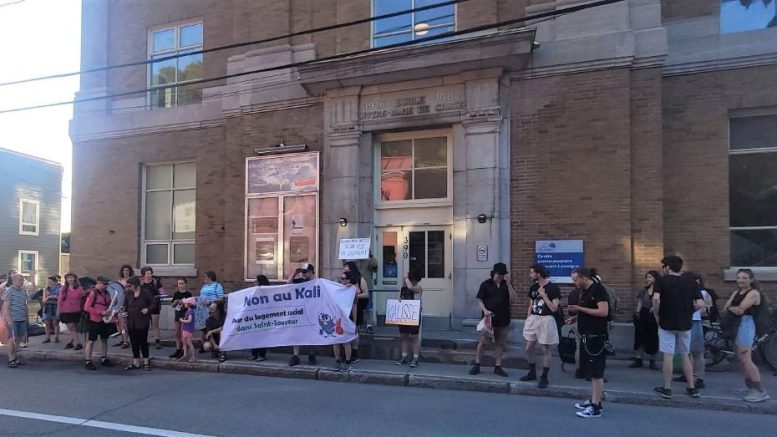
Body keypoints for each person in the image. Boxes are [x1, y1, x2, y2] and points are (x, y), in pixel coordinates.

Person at [652, 255, 703, 399]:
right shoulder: (691, 281)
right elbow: (700, 303)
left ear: (667, 267)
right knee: (685, 354)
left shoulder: (661, 281)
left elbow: (656, 299)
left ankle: (667, 388)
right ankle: (691, 387)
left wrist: (657, 313)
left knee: (668, 354)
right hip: (685, 322)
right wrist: (689, 311)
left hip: (666, 321)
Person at [568, 267, 610, 419]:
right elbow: (588, 311)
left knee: (597, 372)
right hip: (587, 334)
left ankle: (596, 407)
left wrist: (579, 308)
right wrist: (576, 317)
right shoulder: (585, 291)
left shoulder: (598, 290)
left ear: (583, 277)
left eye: (575, 279)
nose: (574, 283)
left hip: (596, 336)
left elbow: (603, 312)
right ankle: (594, 400)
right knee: (591, 372)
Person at [724, 269, 770, 403]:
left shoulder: (753, 293)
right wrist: (732, 308)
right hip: (737, 325)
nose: (740, 280)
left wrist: (732, 308)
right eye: (738, 277)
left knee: (746, 358)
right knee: (742, 357)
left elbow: (740, 309)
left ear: (751, 279)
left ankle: (760, 391)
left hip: (746, 324)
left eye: (744, 278)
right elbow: (727, 306)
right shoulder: (737, 292)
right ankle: (750, 387)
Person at [469, 262, 518, 377]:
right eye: (499, 275)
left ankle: (498, 366)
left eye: (503, 275)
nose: (501, 277)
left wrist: (509, 284)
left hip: (503, 317)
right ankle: (477, 364)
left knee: (499, 343)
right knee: (483, 342)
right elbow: (480, 300)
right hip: (488, 318)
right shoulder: (486, 284)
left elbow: (514, 300)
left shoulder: (506, 285)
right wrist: (485, 310)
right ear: (495, 273)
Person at [520, 264, 561, 388]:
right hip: (533, 318)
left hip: (546, 319)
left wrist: (544, 295)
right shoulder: (533, 287)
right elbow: (531, 304)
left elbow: (554, 308)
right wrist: (528, 317)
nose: (530, 275)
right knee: (528, 348)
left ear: (538, 274)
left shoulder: (553, 288)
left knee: (545, 349)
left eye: (532, 273)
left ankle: (544, 376)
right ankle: (532, 372)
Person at [674, 272, 710, 388]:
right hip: (691, 321)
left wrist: (688, 310)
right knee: (689, 351)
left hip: (693, 321)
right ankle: (690, 374)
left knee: (695, 352)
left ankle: (699, 377)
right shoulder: (692, 291)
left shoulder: (701, 292)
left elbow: (704, 308)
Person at [629, 271, 660, 370]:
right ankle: (639, 358)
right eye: (647, 277)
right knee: (639, 336)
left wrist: (655, 309)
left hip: (653, 316)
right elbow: (641, 302)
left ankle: (652, 360)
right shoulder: (644, 290)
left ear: (655, 278)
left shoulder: (660, 290)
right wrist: (637, 312)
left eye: (650, 277)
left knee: (653, 338)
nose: (648, 279)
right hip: (643, 314)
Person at [124, 276, 155, 371]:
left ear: (136, 284)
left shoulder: (145, 292)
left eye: (130, 285)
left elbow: (154, 303)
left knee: (143, 341)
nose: (129, 287)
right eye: (128, 286)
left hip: (142, 321)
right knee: (134, 342)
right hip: (131, 321)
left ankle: (146, 361)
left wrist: (148, 309)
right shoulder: (128, 294)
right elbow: (125, 305)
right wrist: (124, 312)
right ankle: (136, 361)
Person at [83, 277, 115, 370]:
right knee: (91, 340)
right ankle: (88, 361)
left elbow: (108, 304)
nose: (106, 286)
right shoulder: (93, 293)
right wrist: (100, 312)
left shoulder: (107, 293)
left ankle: (104, 358)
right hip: (94, 320)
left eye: (107, 284)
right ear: (99, 283)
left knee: (104, 339)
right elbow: (87, 307)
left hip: (104, 320)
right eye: (104, 284)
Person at [288, 263, 317, 366]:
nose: (303, 274)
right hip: (299, 311)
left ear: (311, 272)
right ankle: (296, 355)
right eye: (302, 271)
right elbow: (289, 283)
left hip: (311, 311)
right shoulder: (300, 281)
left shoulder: (317, 282)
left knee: (311, 334)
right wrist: (294, 273)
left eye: (305, 271)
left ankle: (311, 354)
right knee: (296, 333)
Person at [395, 269, 423, 368]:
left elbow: (411, 287)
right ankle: (404, 356)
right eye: (413, 279)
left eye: (416, 280)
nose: (414, 282)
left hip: (413, 315)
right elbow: (400, 298)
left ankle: (415, 358)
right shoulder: (403, 288)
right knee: (403, 336)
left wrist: (406, 277)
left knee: (414, 337)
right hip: (404, 315)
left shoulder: (418, 288)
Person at [343, 261, 369, 363]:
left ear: (351, 268)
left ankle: (354, 351)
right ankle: (346, 351)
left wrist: (353, 296)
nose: (344, 268)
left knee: (355, 330)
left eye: (346, 267)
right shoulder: (344, 280)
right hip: (346, 308)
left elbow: (366, 294)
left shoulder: (360, 279)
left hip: (357, 307)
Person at [3, 273, 29, 368]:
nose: (22, 282)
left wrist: (27, 317)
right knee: (12, 339)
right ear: (14, 281)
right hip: (13, 319)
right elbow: (6, 307)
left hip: (22, 318)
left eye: (22, 280)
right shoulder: (9, 291)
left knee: (20, 339)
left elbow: (25, 304)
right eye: (20, 280)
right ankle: (11, 359)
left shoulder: (24, 291)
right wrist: (8, 319)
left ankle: (15, 357)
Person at [333, 271, 356, 371]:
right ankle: (337, 360)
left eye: (343, 278)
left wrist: (354, 321)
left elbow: (354, 307)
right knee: (336, 340)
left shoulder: (352, 290)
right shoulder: (337, 289)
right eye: (340, 278)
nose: (341, 280)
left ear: (348, 280)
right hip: (337, 318)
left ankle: (347, 361)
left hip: (347, 317)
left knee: (346, 341)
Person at [196, 270, 225, 352]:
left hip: (211, 309)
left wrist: (211, 302)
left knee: (209, 328)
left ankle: (214, 346)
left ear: (210, 277)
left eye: (205, 276)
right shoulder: (204, 286)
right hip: (202, 310)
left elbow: (221, 298)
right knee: (203, 328)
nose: (203, 278)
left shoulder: (217, 286)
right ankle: (204, 344)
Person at [57, 273, 85, 351]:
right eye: (68, 278)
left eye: (71, 277)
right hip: (65, 310)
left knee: (73, 328)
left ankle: (70, 342)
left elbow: (82, 299)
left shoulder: (80, 288)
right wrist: (58, 311)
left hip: (76, 310)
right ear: (66, 279)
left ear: (75, 279)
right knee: (71, 327)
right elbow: (60, 300)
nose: (70, 279)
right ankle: (78, 343)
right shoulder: (63, 288)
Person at [139, 267, 165, 350]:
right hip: (144, 307)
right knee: (144, 325)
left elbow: (162, 294)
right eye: (147, 274)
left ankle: (157, 342)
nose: (149, 275)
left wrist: (159, 297)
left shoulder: (156, 283)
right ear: (143, 275)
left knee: (155, 325)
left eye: (150, 273)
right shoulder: (141, 284)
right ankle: (143, 341)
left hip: (154, 306)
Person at [169, 278, 193, 359]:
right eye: (179, 284)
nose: (181, 285)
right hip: (178, 314)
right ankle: (178, 349)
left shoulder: (189, 294)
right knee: (177, 333)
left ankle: (184, 350)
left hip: (185, 315)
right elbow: (172, 305)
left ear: (185, 284)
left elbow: (191, 306)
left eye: (182, 283)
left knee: (184, 334)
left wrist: (184, 302)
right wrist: (175, 302)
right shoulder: (176, 293)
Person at [249, 275, 271, 361]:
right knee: (253, 335)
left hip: (264, 317)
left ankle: (262, 355)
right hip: (254, 317)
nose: (254, 282)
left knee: (262, 336)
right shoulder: (253, 291)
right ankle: (254, 354)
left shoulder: (267, 291)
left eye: (256, 281)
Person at [113, 265, 134, 349]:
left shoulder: (131, 281)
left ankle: (126, 341)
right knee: (118, 322)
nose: (125, 272)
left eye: (127, 270)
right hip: (119, 303)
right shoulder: (119, 281)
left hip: (127, 303)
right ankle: (120, 339)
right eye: (124, 270)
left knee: (124, 322)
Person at [42, 275, 61, 343]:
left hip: (55, 307)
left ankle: (56, 337)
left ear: (55, 282)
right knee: (47, 323)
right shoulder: (46, 289)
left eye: (50, 281)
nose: (49, 283)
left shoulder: (59, 288)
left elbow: (60, 299)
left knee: (55, 322)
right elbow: (43, 300)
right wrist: (49, 297)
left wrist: (54, 297)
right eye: (48, 282)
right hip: (47, 307)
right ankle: (47, 338)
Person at [178, 297, 198, 362]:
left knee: (189, 342)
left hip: (188, 329)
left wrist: (182, 320)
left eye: (186, 303)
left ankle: (194, 357)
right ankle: (185, 355)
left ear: (189, 304)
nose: (184, 304)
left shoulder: (190, 311)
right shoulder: (188, 311)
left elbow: (189, 320)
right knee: (184, 343)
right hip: (185, 329)